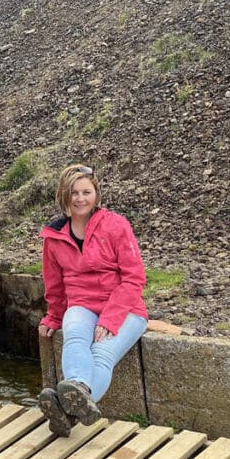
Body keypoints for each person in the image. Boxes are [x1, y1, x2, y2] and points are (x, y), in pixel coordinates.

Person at [37, 164, 148, 437]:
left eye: (86, 192)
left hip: (126, 309)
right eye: (73, 192)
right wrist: (54, 316)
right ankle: (78, 389)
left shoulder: (116, 225)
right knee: (74, 332)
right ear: (63, 195)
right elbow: (55, 284)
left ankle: (68, 410)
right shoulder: (53, 237)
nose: (80, 199)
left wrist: (111, 318)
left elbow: (134, 278)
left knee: (101, 353)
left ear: (97, 195)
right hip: (82, 304)